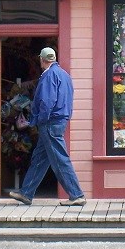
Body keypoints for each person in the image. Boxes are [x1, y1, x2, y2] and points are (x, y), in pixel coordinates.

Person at [9, 47, 86, 207]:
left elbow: (46, 101)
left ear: (42, 60)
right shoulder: (64, 75)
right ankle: (26, 193)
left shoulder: (48, 75)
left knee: (59, 158)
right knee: (40, 158)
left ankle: (76, 194)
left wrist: (38, 120)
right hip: (58, 120)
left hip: (50, 122)